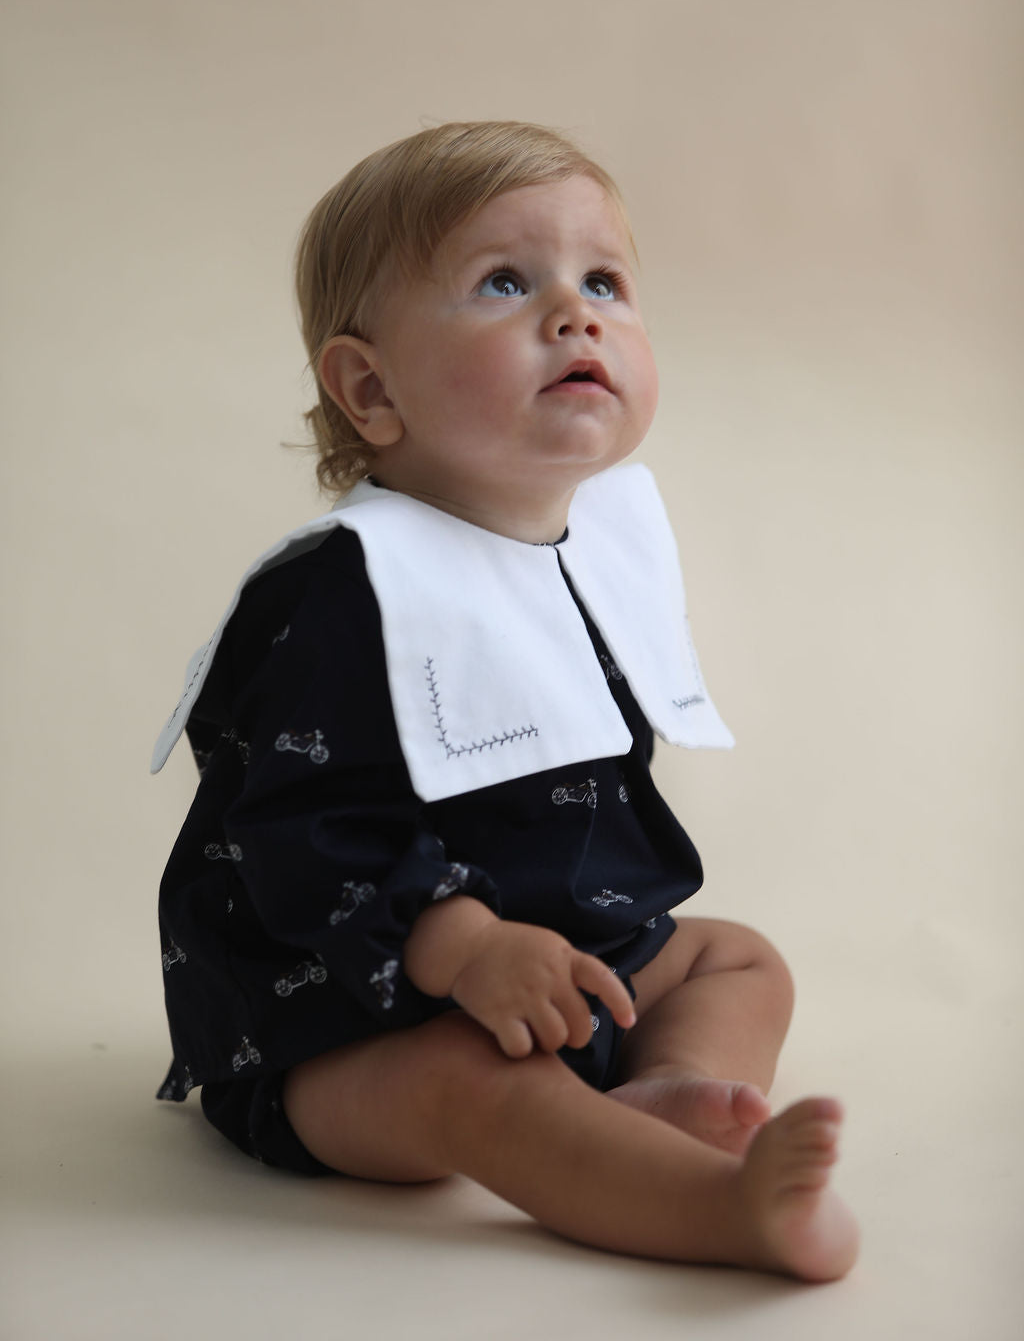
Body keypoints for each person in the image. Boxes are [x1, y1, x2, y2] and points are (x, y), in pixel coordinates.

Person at [154, 121, 858, 1280]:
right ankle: (719, 1213)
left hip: (565, 970)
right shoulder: (342, 593)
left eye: (604, 281)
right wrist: (461, 948)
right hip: (346, 1019)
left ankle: (662, 1089)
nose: (575, 314)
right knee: (472, 1091)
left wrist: (567, 956)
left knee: (739, 961)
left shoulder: (590, 548)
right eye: (502, 283)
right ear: (371, 388)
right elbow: (291, 832)